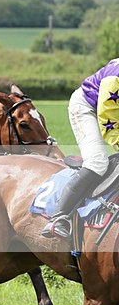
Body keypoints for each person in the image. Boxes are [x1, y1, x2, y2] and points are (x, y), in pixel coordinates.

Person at [41, 58, 119, 238]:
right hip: (87, 108)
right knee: (97, 162)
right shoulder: (115, 78)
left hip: (112, 110)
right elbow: (108, 118)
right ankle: (58, 217)